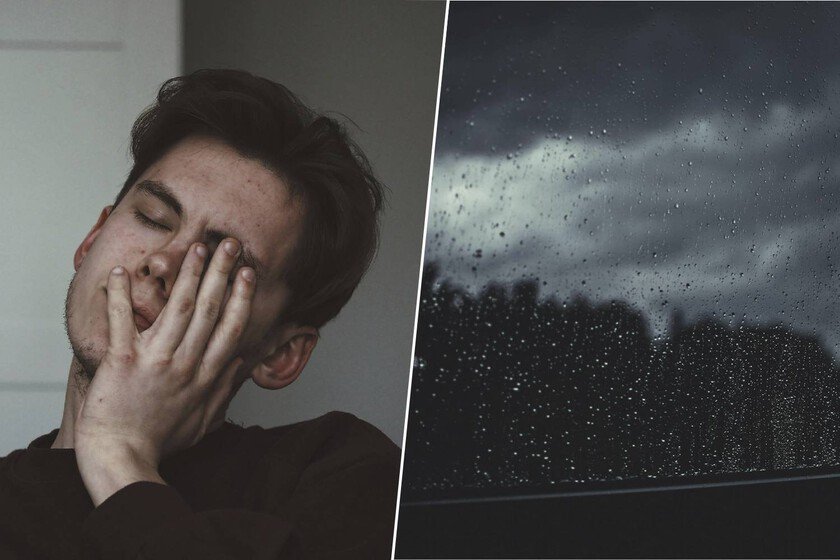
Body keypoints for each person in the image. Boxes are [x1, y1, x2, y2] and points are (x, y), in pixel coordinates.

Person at [0, 69, 399, 559]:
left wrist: (118, 452)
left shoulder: (342, 474)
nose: (163, 261)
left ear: (281, 354)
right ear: (92, 240)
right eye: (152, 218)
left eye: (223, 262)